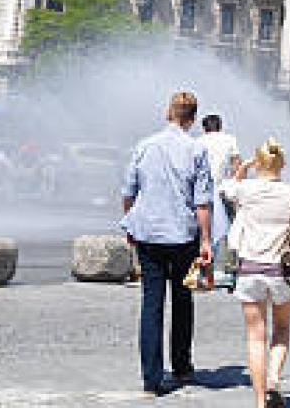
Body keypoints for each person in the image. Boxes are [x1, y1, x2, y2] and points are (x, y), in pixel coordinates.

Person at [120, 91, 214, 396]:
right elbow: (202, 202)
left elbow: (128, 191)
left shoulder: (144, 146)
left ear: (167, 113)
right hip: (183, 235)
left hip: (149, 233)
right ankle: (182, 367)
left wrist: (131, 223)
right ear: (193, 119)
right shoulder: (197, 150)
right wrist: (207, 240)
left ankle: (151, 378)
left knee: (152, 303)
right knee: (183, 300)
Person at [220, 138, 290, 408]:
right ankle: (273, 378)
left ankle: (261, 401)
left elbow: (226, 188)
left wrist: (243, 168)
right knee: (282, 329)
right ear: (282, 165)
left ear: (258, 163)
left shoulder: (246, 190)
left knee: (255, 335)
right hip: (283, 271)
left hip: (249, 269)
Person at [199, 114, 241, 289]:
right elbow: (237, 165)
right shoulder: (229, 140)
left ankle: (205, 270)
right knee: (232, 229)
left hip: (204, 191)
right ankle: (231, 271)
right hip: (225, 189)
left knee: (205, 230)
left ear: (204, 128)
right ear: (220, 126)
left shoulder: (198, 141)